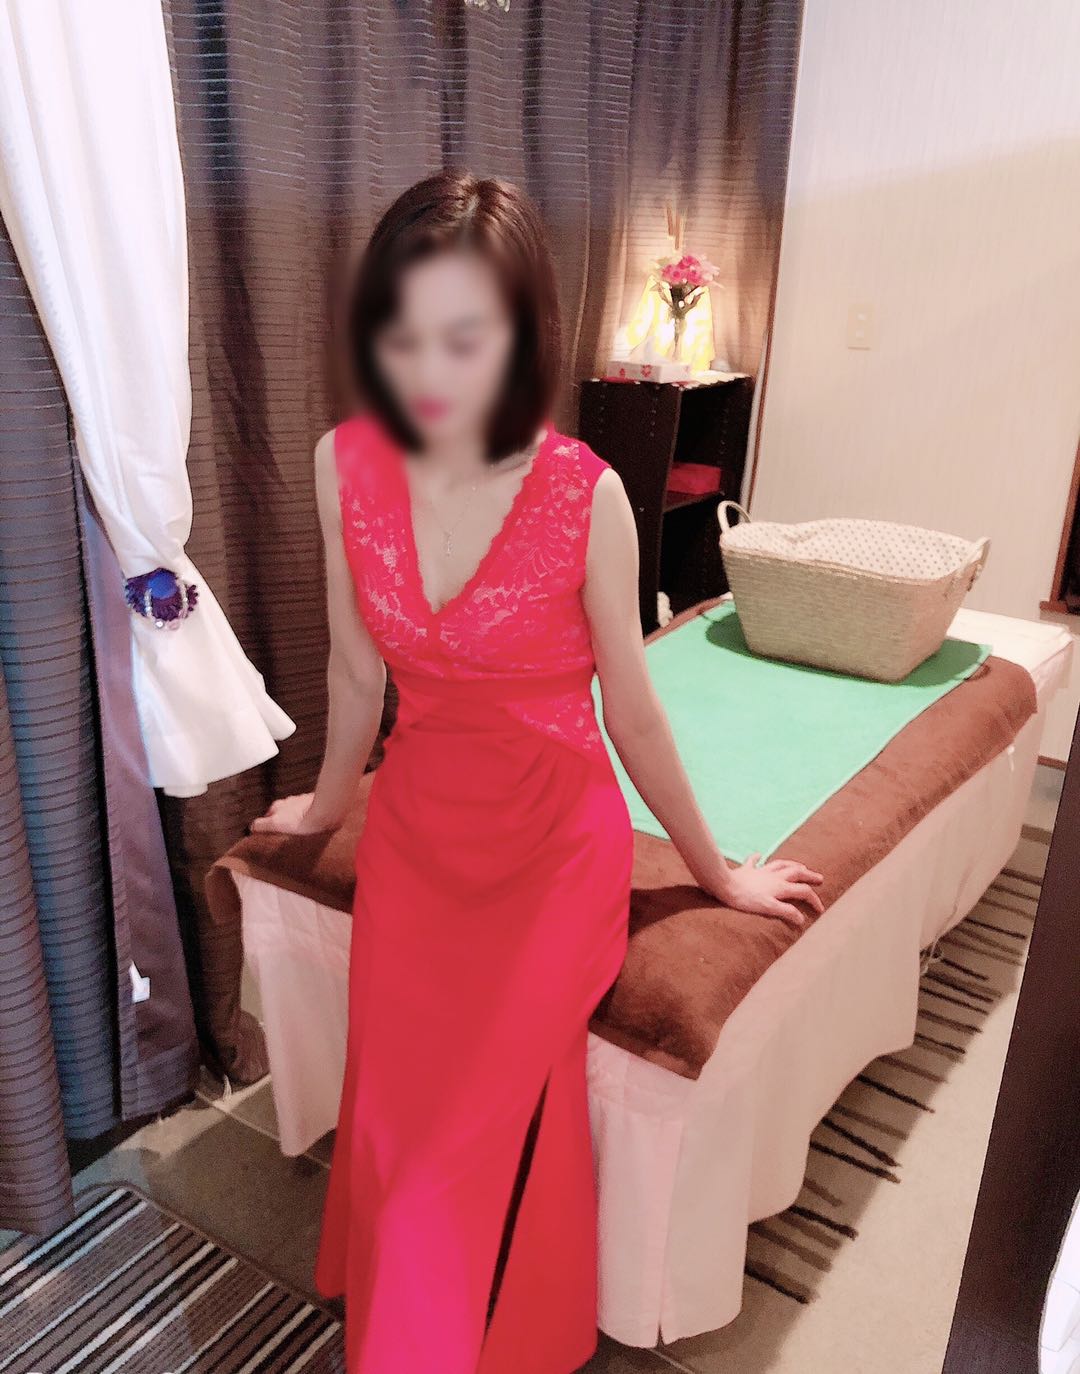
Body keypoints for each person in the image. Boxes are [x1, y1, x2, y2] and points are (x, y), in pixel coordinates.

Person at [251, 170, 824, 1374]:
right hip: (418, 841)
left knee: (450, 1141)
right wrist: (328, 806)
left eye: (464, 337)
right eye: (403, 334)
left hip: (551, 858)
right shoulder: (343, 462)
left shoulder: (583, 493)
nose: (427, 370)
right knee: (400, 1116)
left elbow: (635, 715)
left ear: (522, 336)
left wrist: (718, 874)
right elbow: (354, 676)